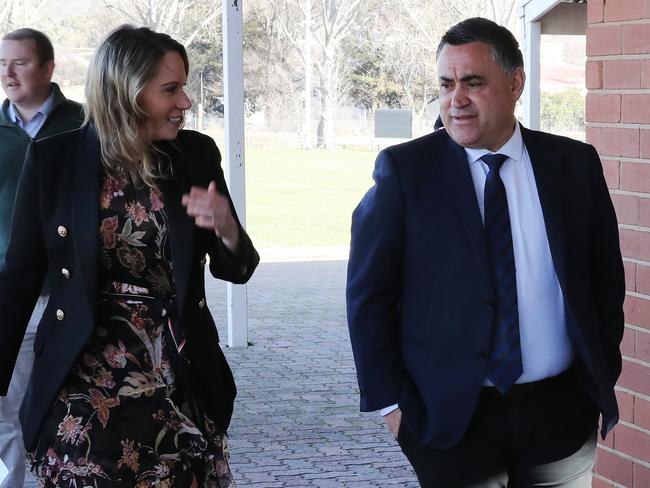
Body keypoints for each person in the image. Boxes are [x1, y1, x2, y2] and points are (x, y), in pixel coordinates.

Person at [347, 17, 624, 488]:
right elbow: (368, 296)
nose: (456, 100)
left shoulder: (573, 165)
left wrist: (597, 383)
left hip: (560, 418)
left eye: (473, 83)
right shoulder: (406, 171)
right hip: (451, 420)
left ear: (515, 83)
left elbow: (603, 281)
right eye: (446, 84)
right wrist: (393, 407)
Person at [0, 25, 259, 487]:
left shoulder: (196, 155)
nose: (186, 102)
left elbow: (237, 268)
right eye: (171, 89)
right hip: (82, 379)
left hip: (176, 373)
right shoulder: (53, 159)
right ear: (127, 92)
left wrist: (226, 228)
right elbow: (19, 281)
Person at [0, 27, 83, 488]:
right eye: (2, 63)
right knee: (5, 411)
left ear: (49, 68)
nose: (8, 73)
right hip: (9, 296)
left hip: (71, 295)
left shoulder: (85, 127)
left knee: (68, 404)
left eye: (20, 62)